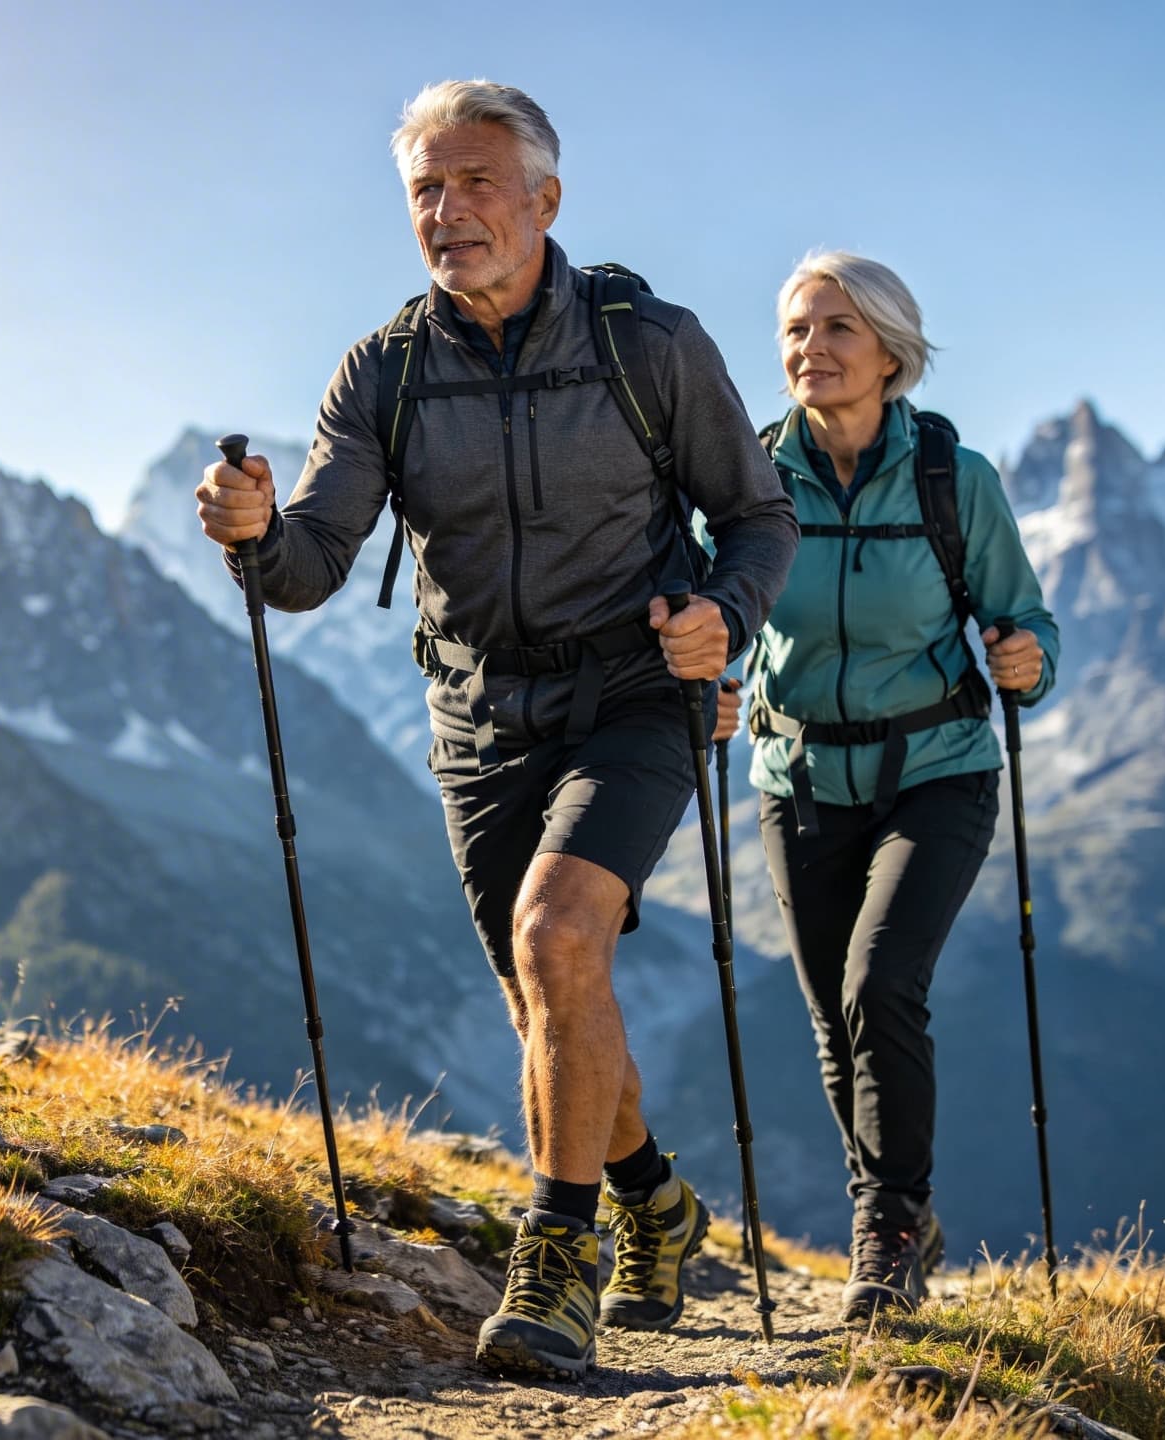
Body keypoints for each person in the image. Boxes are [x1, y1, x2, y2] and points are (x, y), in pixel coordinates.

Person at [196, 79, 799, 1378]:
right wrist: (255, 534)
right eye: (426, 188)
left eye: (476, 182)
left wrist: (724, 617)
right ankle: (654, 1200)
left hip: (638, 690)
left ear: (545, 199)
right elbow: (310, 564)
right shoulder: (386, 372)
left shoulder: (651, 345)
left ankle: (555, 1260)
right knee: (549, 997)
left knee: (556, 932)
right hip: (479, 714)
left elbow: (758, 516)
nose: (449, 211)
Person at [709, 250, 1058, 1321]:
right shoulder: (746, 476)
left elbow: (1025, 619)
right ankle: (893, 1213)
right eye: (795, 332)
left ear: (890, 351)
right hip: (799, 773)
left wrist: (1025, 663)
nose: (808, 349)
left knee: (876, 985)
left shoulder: (958, 479)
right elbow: (709, 605)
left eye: (834, 329)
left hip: (937, 772)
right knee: (831, 1016)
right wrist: (703, 675)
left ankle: (890, 1224)